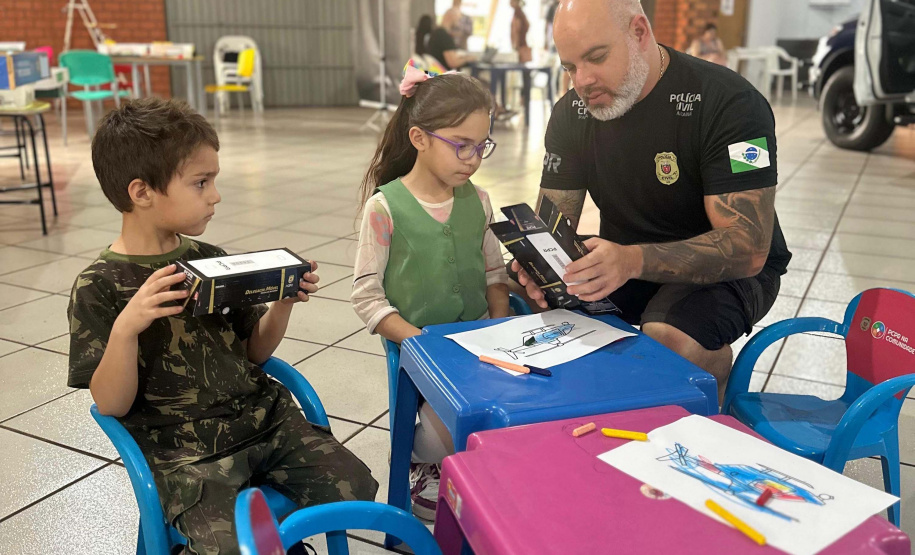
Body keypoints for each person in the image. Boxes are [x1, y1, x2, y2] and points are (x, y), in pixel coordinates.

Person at [67, 98, 378, 555]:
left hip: (264, 423)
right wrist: (127, 329)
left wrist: (283, 305)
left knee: (355, 487)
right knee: (230, 546)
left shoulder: (210, 258)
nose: (215, 195)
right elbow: (111, 403)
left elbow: (254, 353)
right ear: (141, 192)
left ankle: (277, 541)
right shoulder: (99, 287)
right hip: (187, 455)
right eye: (200, 183)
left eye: (213, 180)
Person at [513, 0, 792, 403]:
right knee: (505, 295)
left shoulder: (728, 103)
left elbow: (747, 248)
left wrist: (631, 260)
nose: (583, 81)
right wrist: (537, 267)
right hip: (625, 260)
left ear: (639, 33)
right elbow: (552, 222)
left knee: (669, 336)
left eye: (596, 57)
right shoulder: (573, 113)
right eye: (570, 67)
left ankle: (713, 394)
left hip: (729, 270)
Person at [351, 65, 510, 521]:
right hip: (419, 351)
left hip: (480, 342)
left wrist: (498, 324)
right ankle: (422, 460)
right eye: (461, 145)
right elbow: (366, 296)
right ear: (419, 138)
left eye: (482, 146)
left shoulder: (477, 201)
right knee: (449, 426)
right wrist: (420, 342)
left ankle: (470, 459)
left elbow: (494, 272)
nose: (473, 159)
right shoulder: (385, 207)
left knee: (511, 409)